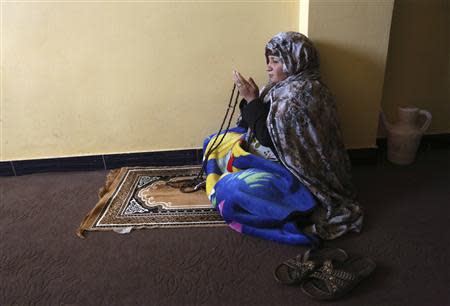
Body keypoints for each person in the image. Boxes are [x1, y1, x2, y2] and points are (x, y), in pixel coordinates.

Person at [203, 32, 363, 245]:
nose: (268, 66)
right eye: (268, 61)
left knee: (229, 190)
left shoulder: (297, 97)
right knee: (214, 141)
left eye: (276, 61)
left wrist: (251, 100)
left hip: (298, 176)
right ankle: (240, 171)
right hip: (273, 155)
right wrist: (255, 100)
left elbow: (271, 139)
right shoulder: (283, 87)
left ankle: (295, 210)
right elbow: (261, 124)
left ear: (294, 61)